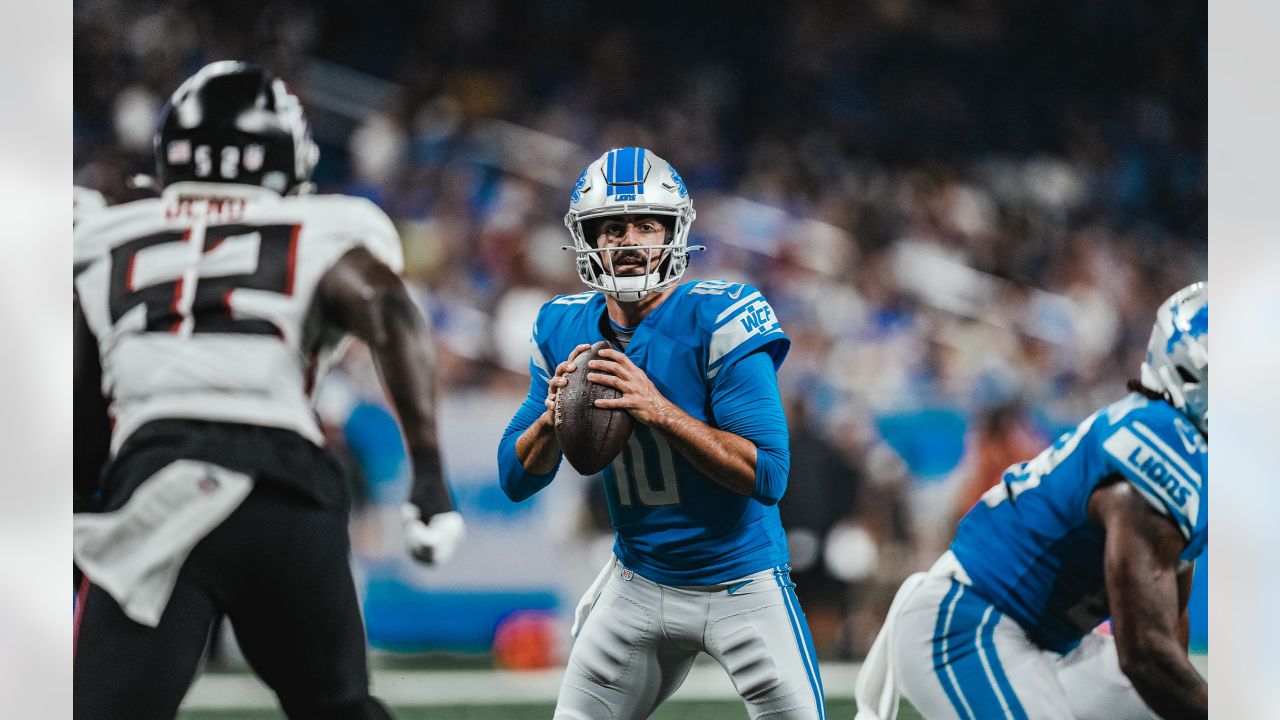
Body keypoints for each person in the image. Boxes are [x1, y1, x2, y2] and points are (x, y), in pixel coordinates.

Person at [73, 61, 464, 720]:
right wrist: (428, 472)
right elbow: (387, 307)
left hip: (159, 487)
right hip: (288, 492)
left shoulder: (102, 238)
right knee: (339, 709)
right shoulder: (325, 226)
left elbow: (81, 410)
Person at [497, 147, 827, 720]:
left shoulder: (722, 317)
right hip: (637, 582)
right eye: (612, 227)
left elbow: (770, 474)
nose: (628, 241)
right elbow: (513, 478)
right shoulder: (561, 326)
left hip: (741, 583)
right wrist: (551, 422)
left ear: (674, 232)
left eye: (646, 224)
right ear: (589, 240)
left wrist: (661, 411)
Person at [855, 282, 1208, 720]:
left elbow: (1168, 647)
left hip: (1045, 644)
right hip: (968, 625)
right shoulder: (1156, 445)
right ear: (1195, 370)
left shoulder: (1182, 451)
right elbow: (1146, 656)